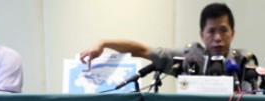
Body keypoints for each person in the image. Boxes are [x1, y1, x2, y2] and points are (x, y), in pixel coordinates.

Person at [80, 3, 247, 81]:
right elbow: (142, 50)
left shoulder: (243, 62)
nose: (218, 37)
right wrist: (104, 43)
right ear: (201, 34)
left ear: (232, 33)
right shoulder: (190, 59)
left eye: (223, 30)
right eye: (211, 31)